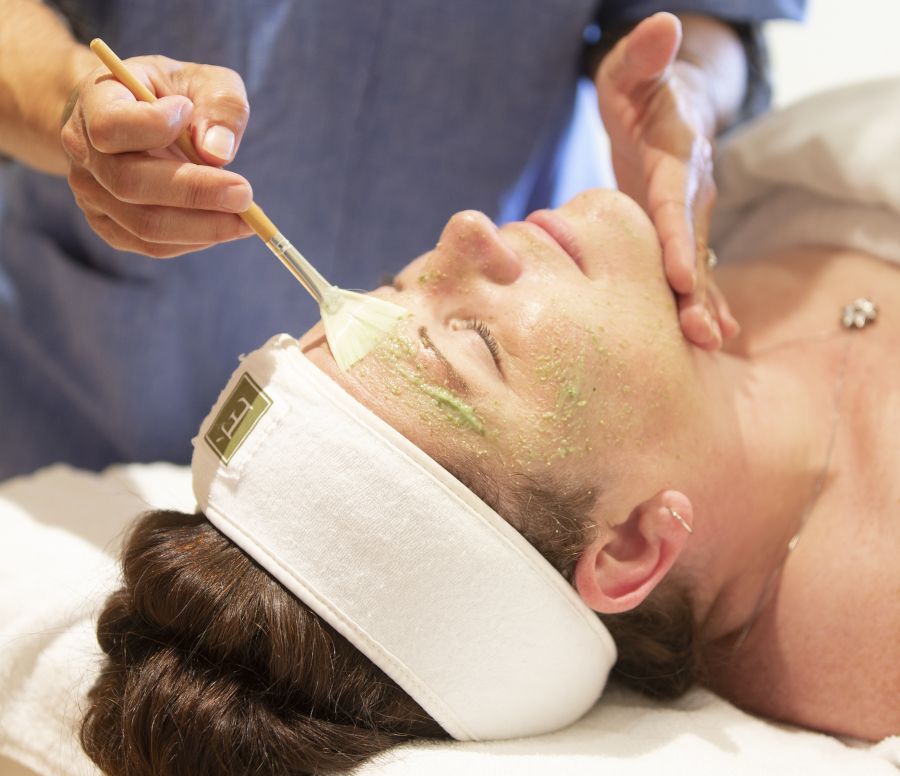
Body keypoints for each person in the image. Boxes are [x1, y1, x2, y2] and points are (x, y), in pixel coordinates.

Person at [79, 75, 900, 776]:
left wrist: (696, 79)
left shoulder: (723, 215)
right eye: (476, 340)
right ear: (628, 547)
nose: (464, 231)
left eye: (398, 283)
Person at [0, 2, 803, 479]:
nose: (466, 230)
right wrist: (73, 103)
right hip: (80, 381)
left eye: (473, 339)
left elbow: (711, 18)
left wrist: (686, 83)